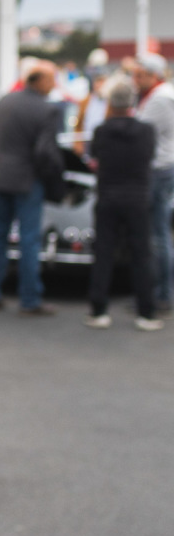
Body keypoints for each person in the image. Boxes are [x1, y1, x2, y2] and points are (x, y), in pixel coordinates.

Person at [0, 60, 63, 316]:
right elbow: (46, 152)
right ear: (39, 80)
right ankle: (30, 298)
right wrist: (53, 179)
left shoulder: (5, 102)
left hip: (0, 178)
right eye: (51, 79)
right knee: (29, 240)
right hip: (28, 181)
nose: (54, 85)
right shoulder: (47, 110)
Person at [85, 81, 162, 331]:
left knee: (104, 253)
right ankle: (146, 312)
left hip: (107, 196)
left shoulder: (101, 131)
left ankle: (99, 310)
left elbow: (94, 154)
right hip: (137, 198)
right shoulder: (146, 131)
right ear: (132, 103)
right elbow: (149, 156)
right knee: (142, 254)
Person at [132, 52, 174, 314]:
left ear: (154, 75)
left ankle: (161, 293)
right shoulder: (159, 95)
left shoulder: (159, 99)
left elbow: (140, 133)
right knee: (157, 233)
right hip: (160, 167)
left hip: (157, 169)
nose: (135, 79)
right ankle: (158, 291)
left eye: (140, 75)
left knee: (157, 235)